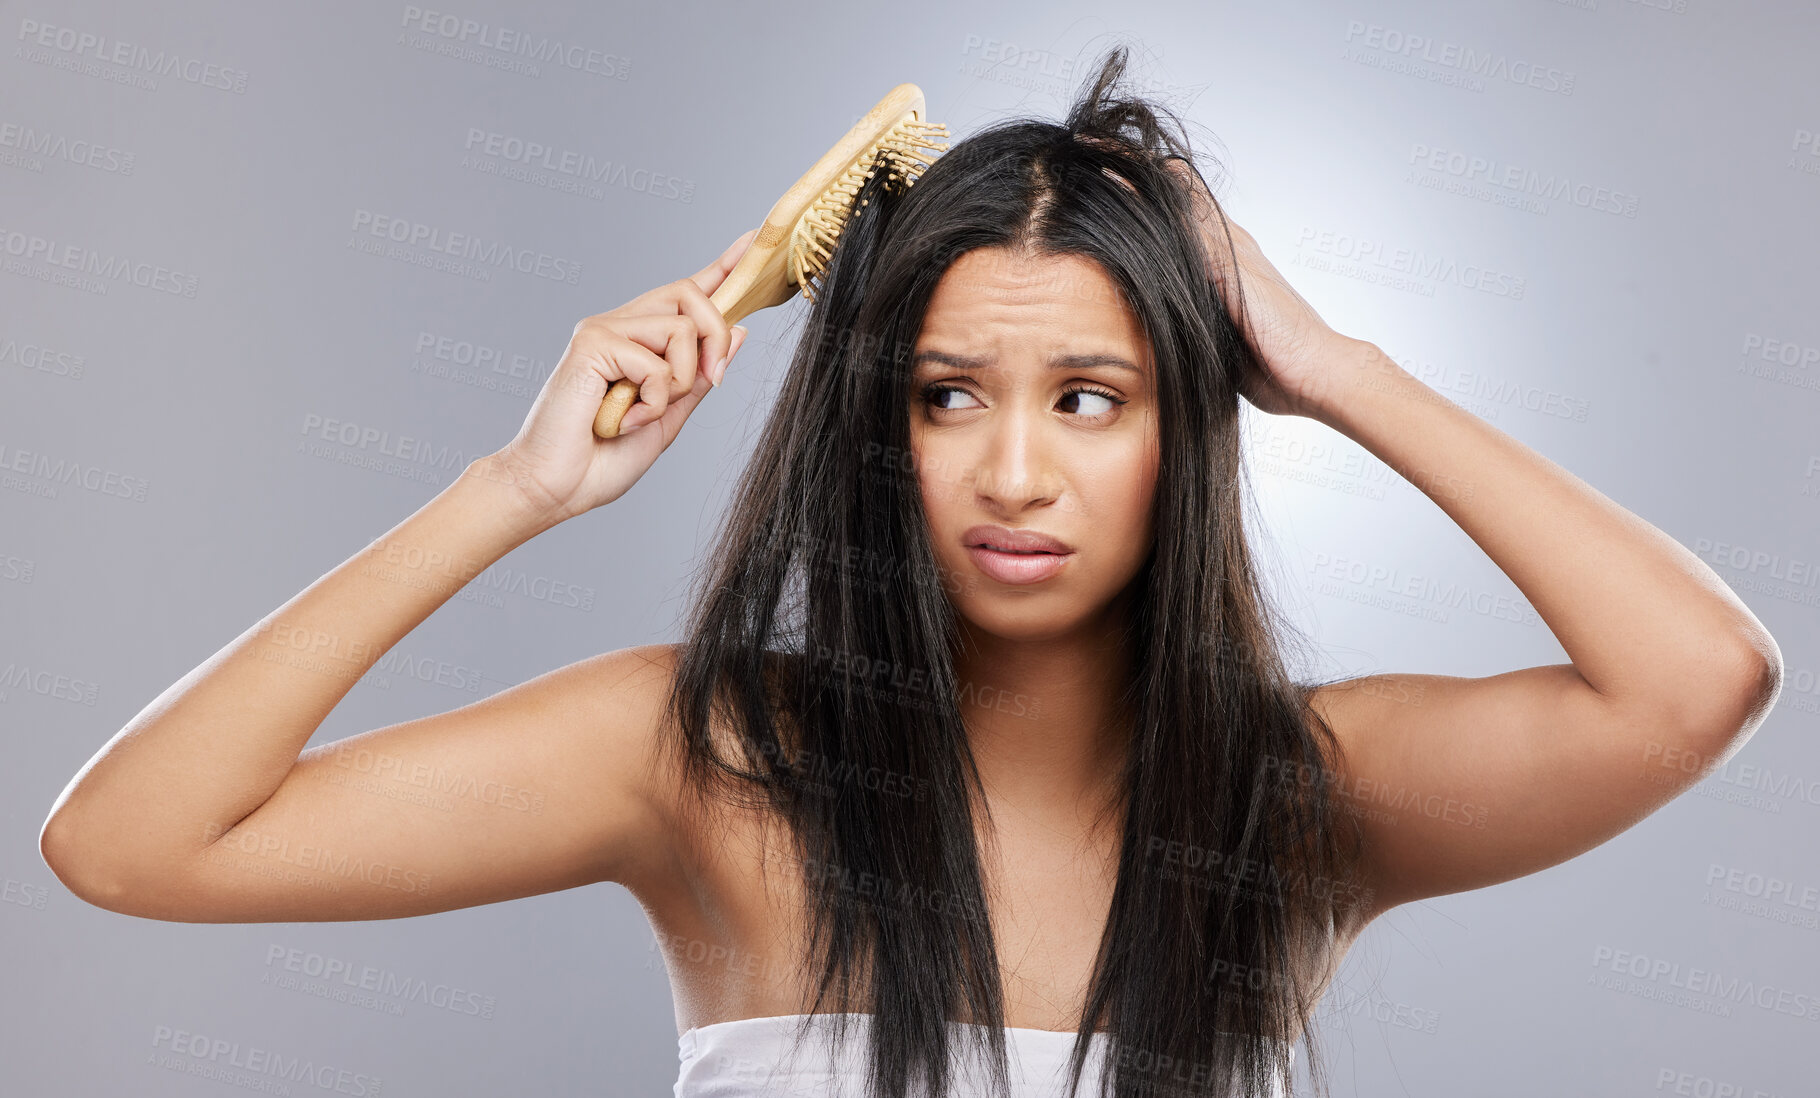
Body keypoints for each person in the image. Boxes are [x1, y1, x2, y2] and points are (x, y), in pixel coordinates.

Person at [38, 47, 1782, 1098]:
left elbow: (1698, 677)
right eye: (949, 395)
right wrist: (514, 488)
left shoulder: (1290, 801)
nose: (1014, 471)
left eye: (1091, 398)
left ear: (1188, 422)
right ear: (884, 422)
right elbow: (133, 842)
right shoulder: (704, 761)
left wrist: (1328, 363)